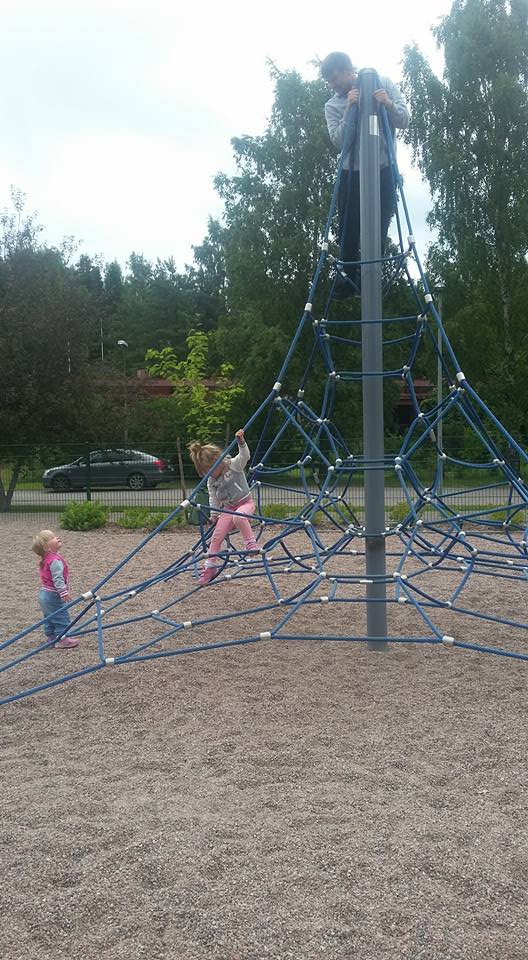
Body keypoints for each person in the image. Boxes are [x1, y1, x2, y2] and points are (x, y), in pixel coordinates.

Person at [321, 51, 409, 299]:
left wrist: (388, 104)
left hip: (383, 169)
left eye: (335, 78)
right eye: (329, 81)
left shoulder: (384, 84)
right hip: (351, 173)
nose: (333, 85)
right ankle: (348, 280)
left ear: (349, 70)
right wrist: (349, 108)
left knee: (379, 227)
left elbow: (404, 120)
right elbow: (340, 142)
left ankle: (371, 280)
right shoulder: (333, 105)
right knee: (348, 230)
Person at [189, 429, 259, 585]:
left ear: (218, 462)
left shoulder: (233, 465)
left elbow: (244, 456)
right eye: (205, 473)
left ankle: (251, 544)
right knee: (216, 536)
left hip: (245, 503)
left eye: (209, 471)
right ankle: (210, 566)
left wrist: (241, 442)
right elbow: (213, 497)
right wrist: (214, 514)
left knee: (239, 517)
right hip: (228, 509)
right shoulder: (211, 480)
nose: (208, 475)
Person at [31, 530, 79, 649]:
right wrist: (63, 592)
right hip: (53, 595)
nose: (56, 537)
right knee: (61, 616)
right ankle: (62, 639)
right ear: (46, 547)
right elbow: (57, 578)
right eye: (52, 538)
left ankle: (51, 637)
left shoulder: (46, 558)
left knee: (49, 617)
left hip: (44, 593)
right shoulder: (54, 560)